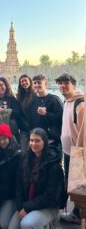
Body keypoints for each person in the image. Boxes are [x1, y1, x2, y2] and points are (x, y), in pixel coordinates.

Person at [8, 127, 66, 229]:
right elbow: (19, 183)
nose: (33, 144)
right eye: (31, 140)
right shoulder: (25, 158)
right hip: (28, 202)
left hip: (48, 206)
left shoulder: (53, 165)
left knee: (26, 224)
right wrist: (20, 206)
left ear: (45, 142)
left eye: (37, 141)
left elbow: (50, 197)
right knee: (12, 227)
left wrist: (26, 208)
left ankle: (47, 224)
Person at [56, 73, 84, 225]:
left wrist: (80, 153)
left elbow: (83, 131)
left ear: (74, 84)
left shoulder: (80, 103)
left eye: (66, 83)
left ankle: (78, 214)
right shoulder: (67, 102)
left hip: (77, 152)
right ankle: (77, 212)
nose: (62, 86)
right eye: (60, 83)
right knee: (72, 183)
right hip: (68, 151)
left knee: (78, 185)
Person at [29, 74, 63, 150]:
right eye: (35, 83)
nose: (37, 85)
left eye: (39, 83)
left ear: (45, 84)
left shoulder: (54, 99)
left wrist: (46, 114)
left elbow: (61, 118)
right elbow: (31, 121)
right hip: (36, 140)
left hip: (52, 140)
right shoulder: (32, 101)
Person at [0, 77, 21, 142]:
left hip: (9, 129)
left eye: (1, 85)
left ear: (6, 85)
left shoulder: (12, 99)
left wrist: (4, 111)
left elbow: (17, 113)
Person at [16, 74, 35, 149]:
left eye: (25, 80)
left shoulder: (35, 94)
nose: (24, 83)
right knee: (24, 151)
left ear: (30, 81)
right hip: (24, 127)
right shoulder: (20, 96)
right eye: (22, 81)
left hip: (34, 126)